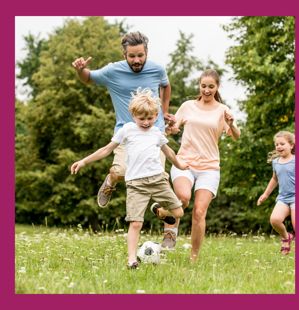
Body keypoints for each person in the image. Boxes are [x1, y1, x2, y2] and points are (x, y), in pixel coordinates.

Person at [71, 87, 188, 268]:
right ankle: (132, 259)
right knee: (135, 223)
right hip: (136, 184)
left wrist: (181, 165)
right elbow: (106, 149)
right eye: (142, 119)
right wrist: (84, 161)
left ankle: (159, 210)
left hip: (157, 181)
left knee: (179, 212)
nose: (146, 122)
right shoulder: (127, 130)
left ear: (156, 115)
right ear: (133, 115)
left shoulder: (157, 133)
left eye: (150, 118)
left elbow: (170, 153)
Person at [71, 31, 175, 208]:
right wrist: (80, 70)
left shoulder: (157, 69)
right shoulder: (113, 71)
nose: (136, 60)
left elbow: (165, 84)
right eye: (132, 56)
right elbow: (87, 78)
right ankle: (111, 179)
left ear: (147, 52)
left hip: (154, 132)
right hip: (126, 135)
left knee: (161, 180)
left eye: (140, 55)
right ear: (124, 54)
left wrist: (163, 112)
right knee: (122, 173)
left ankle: (169, 233)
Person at [160, 69, 240, 261]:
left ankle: (193, 257)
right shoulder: (188, 106)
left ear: (217, 87)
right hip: (184, 162)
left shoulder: (223, 111)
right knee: (183, 197)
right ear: (199, 86)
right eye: (203, 86)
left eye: (211, 86)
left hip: (210, 168)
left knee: (198, 212)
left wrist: (232, 123)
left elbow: (236, 136)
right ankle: (169, 227)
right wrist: (170, 128)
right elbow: (169, 130)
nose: (206, 90)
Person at [257, 131, 295, 255]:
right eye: (277, 144)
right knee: (275, 220)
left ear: (291, 145)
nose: (279, 146)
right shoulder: (276, 162)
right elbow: (274, 179)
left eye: (282, 144)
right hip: (283, 198)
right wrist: (265, 194)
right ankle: (286, 237)